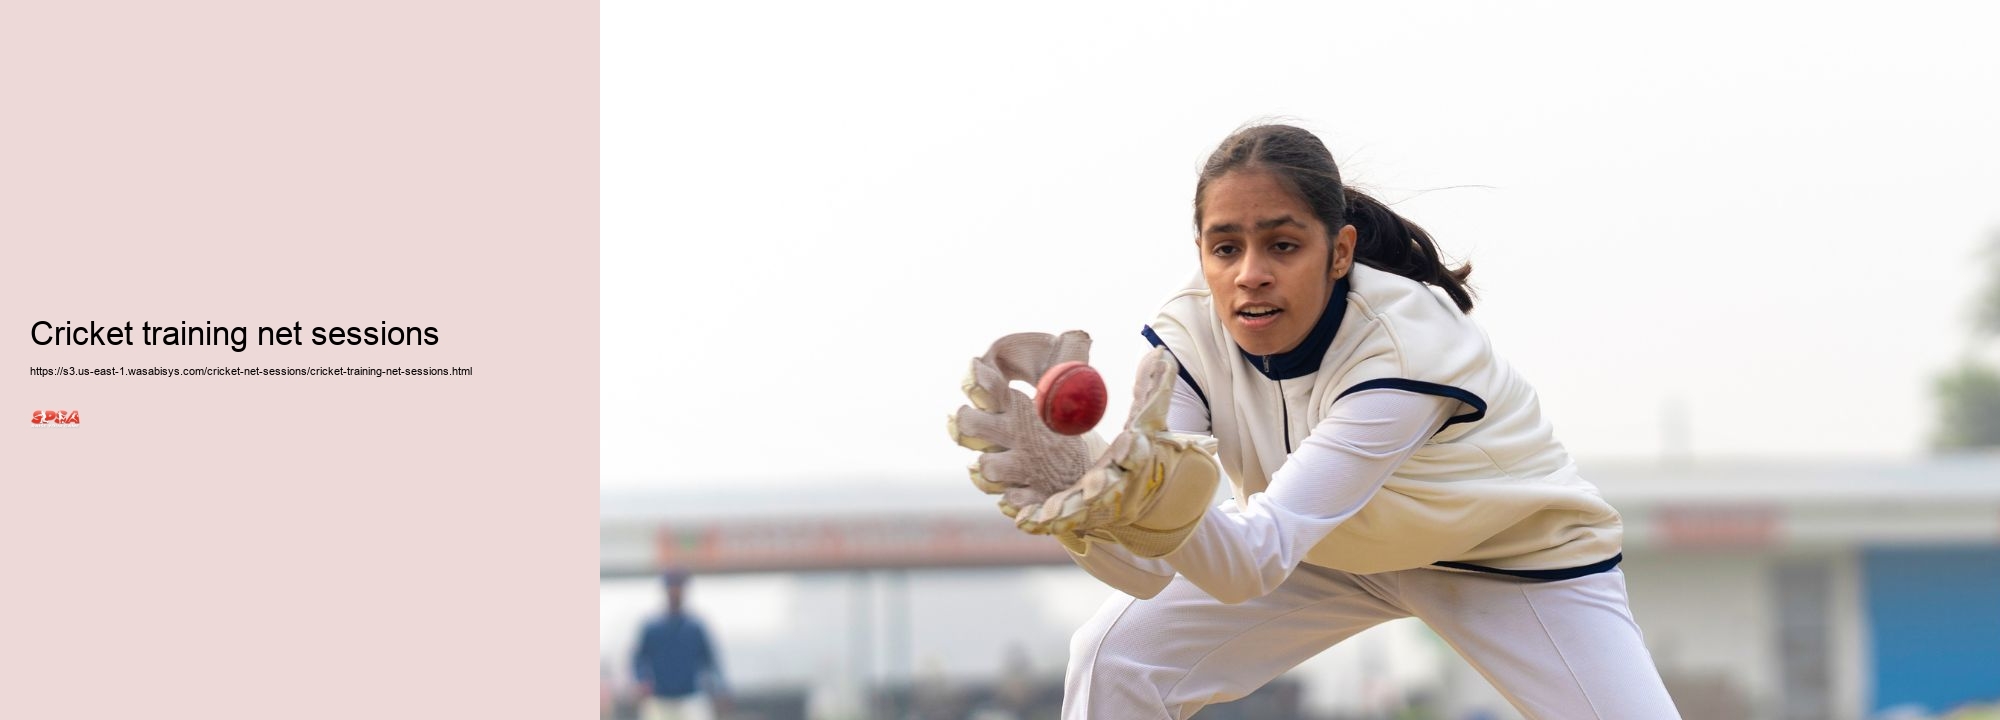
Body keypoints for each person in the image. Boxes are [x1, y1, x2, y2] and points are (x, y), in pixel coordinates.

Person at [949, 123, 1680, 719]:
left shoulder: (1403, 346)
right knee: (1114, 658)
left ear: (1340, 252)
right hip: (1321, 551)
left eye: (1283, 244)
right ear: (1201, 254)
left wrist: (1143, 489)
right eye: (1226, 247)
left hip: (1507, 560)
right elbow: (1148, 568)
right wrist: (1089, 500)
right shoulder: (1188, 338)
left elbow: (1248, 562)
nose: (1251, 273)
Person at [630, 569, 730, 720]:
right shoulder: (652, 628)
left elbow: (710, 662)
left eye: (679, 587)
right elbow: (639, 659)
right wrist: (642, 680)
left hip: (691, 698)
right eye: (672, 587)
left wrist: (719, 688)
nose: (675, 592)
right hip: (659, 700)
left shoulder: (695, 627)